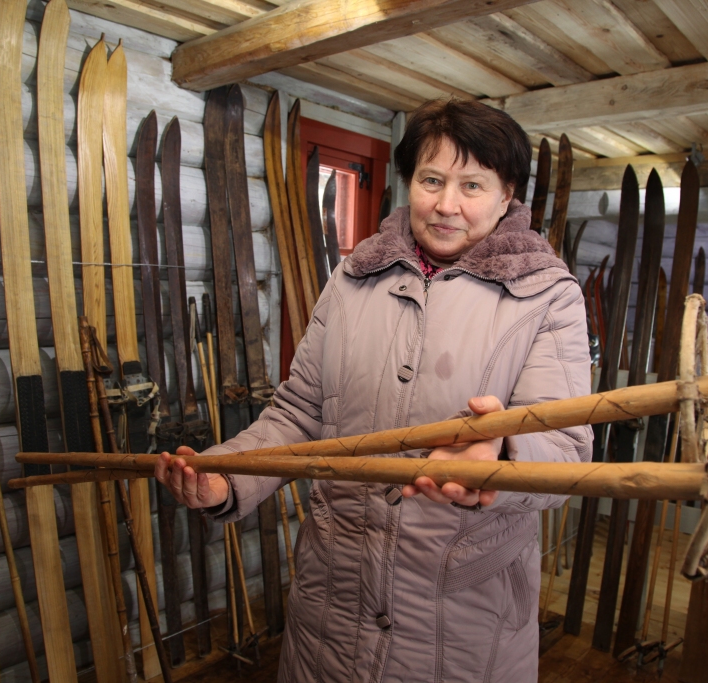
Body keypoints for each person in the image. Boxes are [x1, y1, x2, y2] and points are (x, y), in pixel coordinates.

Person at [155, 98, 593, 682]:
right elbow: (301, 414)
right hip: (332, 605)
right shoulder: (354, 279)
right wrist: (225, 475)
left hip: (458, 624)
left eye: (472, 186)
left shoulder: (547, 296)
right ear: (408, 181)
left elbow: (565, 449)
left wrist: (504, 459)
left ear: (508, 193)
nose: (445, 204)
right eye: (431, 180)